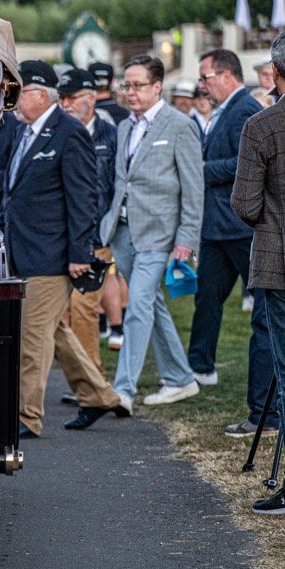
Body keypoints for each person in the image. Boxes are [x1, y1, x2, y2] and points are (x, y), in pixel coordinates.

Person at [0, 61, 130, 438]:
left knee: (31, 336)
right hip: (23, 250)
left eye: (19, 91)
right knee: (54, 331)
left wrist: (78, 253)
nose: (14, 99)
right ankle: (98, 395)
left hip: (53, 256)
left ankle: (27, 417)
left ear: (40, 94)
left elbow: (84, 198)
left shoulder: (68, 133)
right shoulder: (26, 131)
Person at [99, 54, 203, 408]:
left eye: (138, 85)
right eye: (126, 85)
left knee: (139, 303)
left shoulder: (179, 125)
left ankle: (122, 390)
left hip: (161, 234)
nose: (130, 91)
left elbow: (193, 188)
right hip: (123, 231)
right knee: (152, 304)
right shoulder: (125, 127)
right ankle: (180, 378)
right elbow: (120, 181)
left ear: (158, 87)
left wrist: (186, 239)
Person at [185, 49, 277, 438]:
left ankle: (263, 411)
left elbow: (245, 163)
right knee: (206, 297)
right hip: (218, 228)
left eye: (206, 77)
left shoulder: (242, 110)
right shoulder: (224, 110)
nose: (202, 85)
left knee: (264, 315)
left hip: (240, 227)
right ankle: (199, 367)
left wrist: (202, 170)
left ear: (226, 75)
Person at [231, 29, 285, 513]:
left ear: (274, 73)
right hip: (280, 260)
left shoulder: (263, 125)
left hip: (282, 264)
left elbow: (245, 204)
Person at [57, 67, 117, 369]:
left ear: (91, 98)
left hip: (96, 236)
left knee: (84, 309)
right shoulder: (56, 132)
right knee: (60, 312)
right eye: (61, 97)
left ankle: (90, 378)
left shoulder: (111, 134)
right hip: (58, 235)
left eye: (71, 97)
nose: (65, 103)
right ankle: (75, 378)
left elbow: (120, 184)